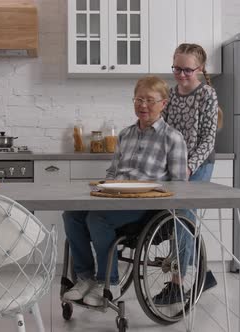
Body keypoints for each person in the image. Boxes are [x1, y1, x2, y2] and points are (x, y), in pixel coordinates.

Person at [62, 76, 189, 306]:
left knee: (97, 219)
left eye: (150, 100)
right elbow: (113, 172)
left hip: (147, 208)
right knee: (71, 215)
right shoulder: (125, 134)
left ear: (164, 103)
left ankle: (108, 282)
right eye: (139, 99)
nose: (143, 105)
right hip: (115, 199)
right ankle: (85, 278)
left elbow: (179, 185)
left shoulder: (172, 138)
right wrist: (104, 186)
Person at [153, 43, 222, 305]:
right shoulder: (170, 94)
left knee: (182, 217)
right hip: (174, 165)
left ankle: (177, 283)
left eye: (187, 70)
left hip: (200, 163)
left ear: (200, 68)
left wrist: (190, 165)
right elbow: (163, 132)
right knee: (177, 219)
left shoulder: (207, 95)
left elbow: (208, 139)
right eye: (177, 69)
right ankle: (205, 274)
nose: (182, 74)